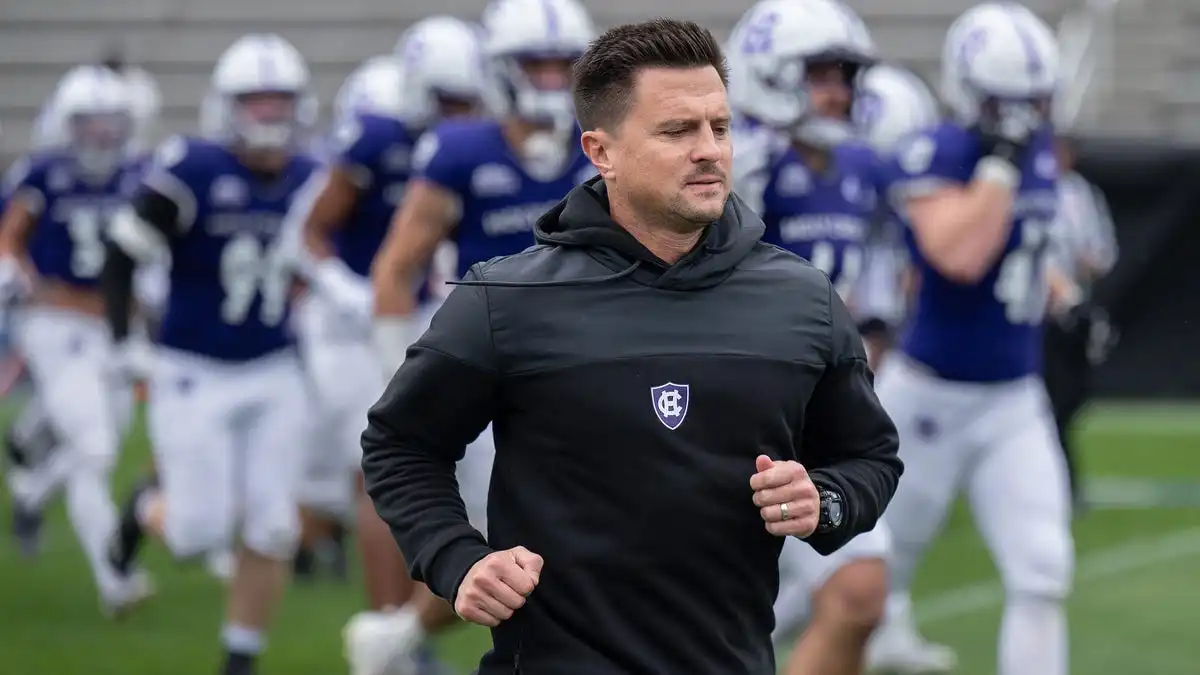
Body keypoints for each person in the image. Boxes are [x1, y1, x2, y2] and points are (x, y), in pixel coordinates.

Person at [362, 17, 903, 675]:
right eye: (678, 131)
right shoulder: (505, 298)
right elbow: (399, 443)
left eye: (720, 127)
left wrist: (826, 500)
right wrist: (458, 557)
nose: (709, 149)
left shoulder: (802, 299)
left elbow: (869, 453)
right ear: (601, 151)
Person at [361, 0, 596, 670]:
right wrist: (398, 380)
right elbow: (395, 268)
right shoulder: (462, 149)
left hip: (584, 365)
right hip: (490, 375)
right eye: (536, 63)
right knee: (528, 550)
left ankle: (399, 635)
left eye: (564, 63)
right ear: (500, 69)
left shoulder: (602, 143)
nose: (552, 78)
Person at [101, 33, 319, 675]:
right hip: (193, 367)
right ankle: (145, 506)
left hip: (277, 366)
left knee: (274, 527)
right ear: (226, 108)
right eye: (255, 103)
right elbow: (120, 255)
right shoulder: (192, 171)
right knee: (197, 534)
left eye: (279, 102)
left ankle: (239, 661)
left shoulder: (312, 176)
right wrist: (123, 345)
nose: (269, 116)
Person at [282, 16, 486, 674]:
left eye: (466, 100)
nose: (458, 113)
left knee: (456, 474)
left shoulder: (469, 144)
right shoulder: (375, 137)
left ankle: (405, 630)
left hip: (424, 309)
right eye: (447, 101)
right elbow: (306, 232)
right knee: (386, 468)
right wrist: (347, 289)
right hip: (354, 322)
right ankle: (392, 634)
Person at [873, 4, 1074, 675]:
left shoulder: (1036, 151)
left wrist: (1057, 288)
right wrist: (1002, 168)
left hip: (1015, 394)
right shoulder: (940, 151)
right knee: (859, 573)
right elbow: (958, 254)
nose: (1020, 118)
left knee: (1043, 566)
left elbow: (1021, 243)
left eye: (1033, 103)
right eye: (1004, 103)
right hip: (931, 394)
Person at [0, 64, 149, 613]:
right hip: (56, 323)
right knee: (95, 449)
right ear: (67, 124)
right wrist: (16, 276)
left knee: (106, 436)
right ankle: (116, 581)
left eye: (111, 122)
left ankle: (33, 493)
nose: (101, 134)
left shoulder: (141, 172)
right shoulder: (41, 174)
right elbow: (9, 238)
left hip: (117, 324)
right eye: (88, 122)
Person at [1042, 133, 1118, 509]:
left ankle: (1060, 483)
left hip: (1068, 315)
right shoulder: (1027, 187)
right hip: (1029, 315)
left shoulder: (1079, 194)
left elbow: (1101, 253)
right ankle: (1057, 485)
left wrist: (1085, 265)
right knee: (1043, 405)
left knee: (1069, 400)